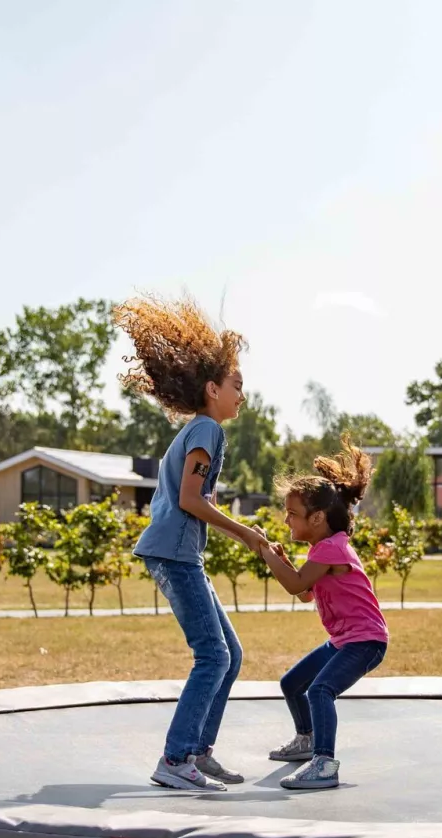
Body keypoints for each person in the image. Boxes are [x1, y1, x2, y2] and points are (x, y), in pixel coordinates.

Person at [115, 294, 269, 792]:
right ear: (212, 389)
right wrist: (247, 533)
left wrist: (220, 511)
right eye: (237, 386)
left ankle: (199, 751)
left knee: (232, 654)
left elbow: (194, 495)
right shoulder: (207, 429)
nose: (242, 395)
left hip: (177, 552)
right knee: (214, 655)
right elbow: (190, 500)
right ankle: (177, 758)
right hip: (174, 553)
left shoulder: (198, 430)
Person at [257, 440, 390, 790]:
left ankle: (325, 762)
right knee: (292, 684)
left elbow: (294, 586)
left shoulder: (332, 548)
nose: (285, 519)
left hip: (365, 642)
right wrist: (282, 560)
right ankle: (306, 740)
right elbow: (303, 592)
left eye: (291, 513)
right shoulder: (323, 548)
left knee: (320, 691)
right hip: (344, 641)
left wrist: (266, 553)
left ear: (317, 518)